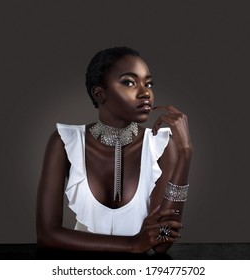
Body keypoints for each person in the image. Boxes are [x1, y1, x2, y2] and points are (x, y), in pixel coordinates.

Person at [36, 46, 193, 253]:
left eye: (148, 83)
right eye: (129, 82)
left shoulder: (161, 145)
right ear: (99, 94)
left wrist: (185, 153)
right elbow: (46, 235)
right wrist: (132, 245)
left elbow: (162, 243)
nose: (145, 92)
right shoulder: (65, 141)